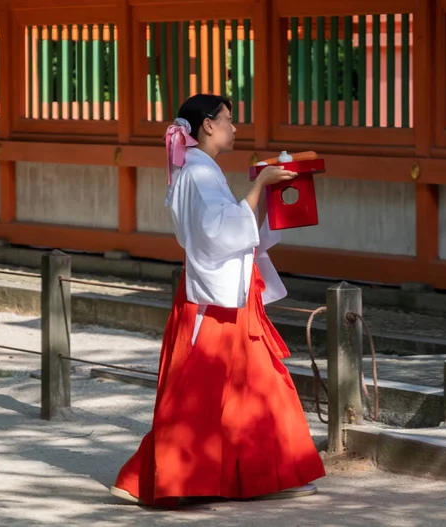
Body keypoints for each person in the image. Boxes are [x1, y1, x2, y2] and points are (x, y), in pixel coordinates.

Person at [111, 94, 326, 508]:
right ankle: (147, 478)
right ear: (208, 126)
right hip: (214, 302)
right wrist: (259, 185)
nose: (234, 128)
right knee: (204, 392)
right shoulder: (199, 173)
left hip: (227, 294)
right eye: (228, 120)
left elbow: (235, 229)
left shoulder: (199, 170)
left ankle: (273, 473)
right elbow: (217, 233)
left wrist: (265, 192)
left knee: (256, 389)